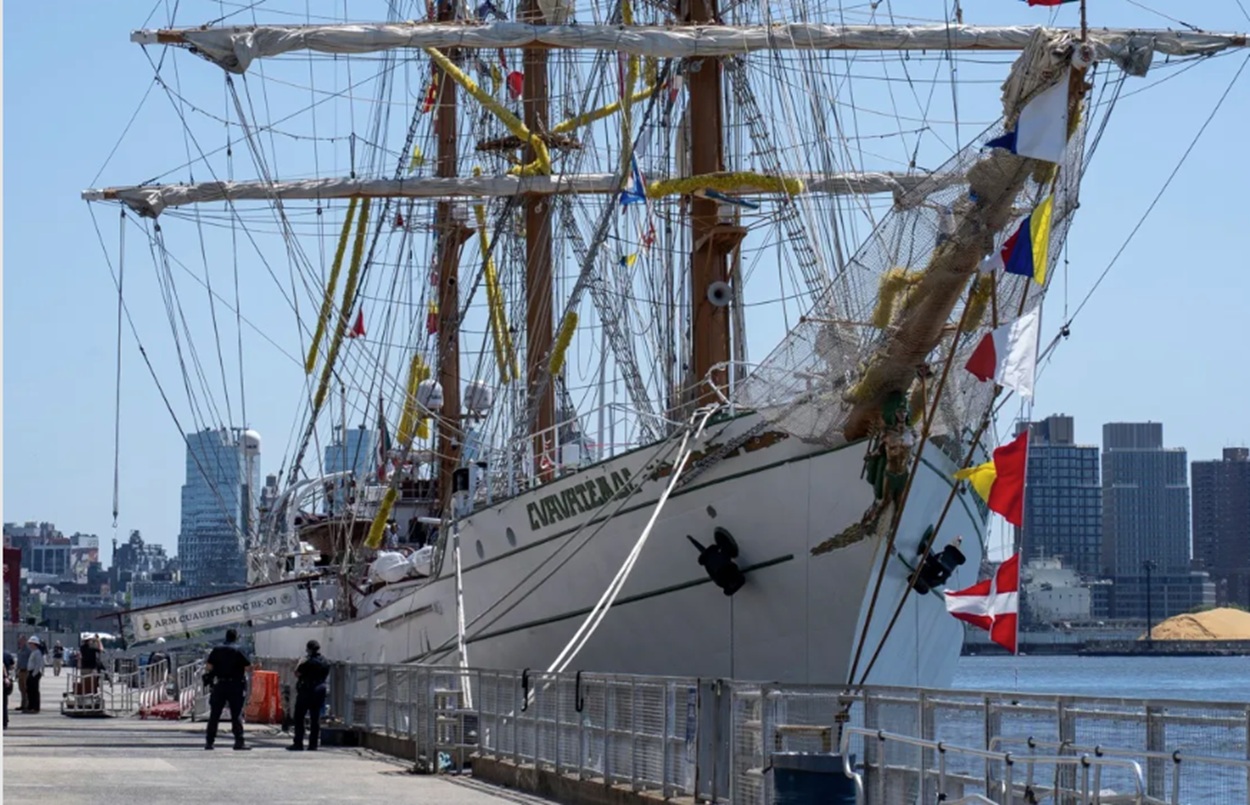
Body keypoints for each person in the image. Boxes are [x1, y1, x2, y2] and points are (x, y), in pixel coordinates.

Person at [202, 628, 252, 750]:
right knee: (236, 714)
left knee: (214, 714)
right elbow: (248, 667)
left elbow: (208, 666)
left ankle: (209, 742)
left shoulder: (217, 649)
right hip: (235, 685)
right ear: (236, 637)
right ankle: (239, 742)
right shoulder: (238, 650)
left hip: (220, 684)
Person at [287, 640, 331, 751]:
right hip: (320, 689)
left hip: (307, 690)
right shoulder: (325, 661)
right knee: (315, 718)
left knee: (299, 716)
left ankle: (298, 743)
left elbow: (297, 673)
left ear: (309, 649)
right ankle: (313, 744)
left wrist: (299, 663)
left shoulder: (307, 662)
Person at [25, 636, 45, 714]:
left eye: (31, 643)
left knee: (34, 691)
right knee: (29, 690)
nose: (30, 645)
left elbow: (38, 665)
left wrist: (33, 675)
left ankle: (35, 707)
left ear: (35, 644)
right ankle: (30, 706)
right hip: (31, 672)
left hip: (34, 673)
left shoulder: (37, 652)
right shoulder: (33, 652)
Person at [15, 635, 30, 713]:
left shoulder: (28, 650)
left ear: (25, 641)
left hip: (26, 671)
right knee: (21, 689)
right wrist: (16, 671)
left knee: (26, 688)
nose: (19, 641)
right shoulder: (19, 650)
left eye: (21, 640)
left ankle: (27, 705)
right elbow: (18, 661)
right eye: (19, 640)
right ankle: (22, 704)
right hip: (20, 671)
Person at [3, 650, 14, 729]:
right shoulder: (7, 654)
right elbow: (12, 666)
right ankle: (4, 721)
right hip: (4, 681)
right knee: (4, 703)